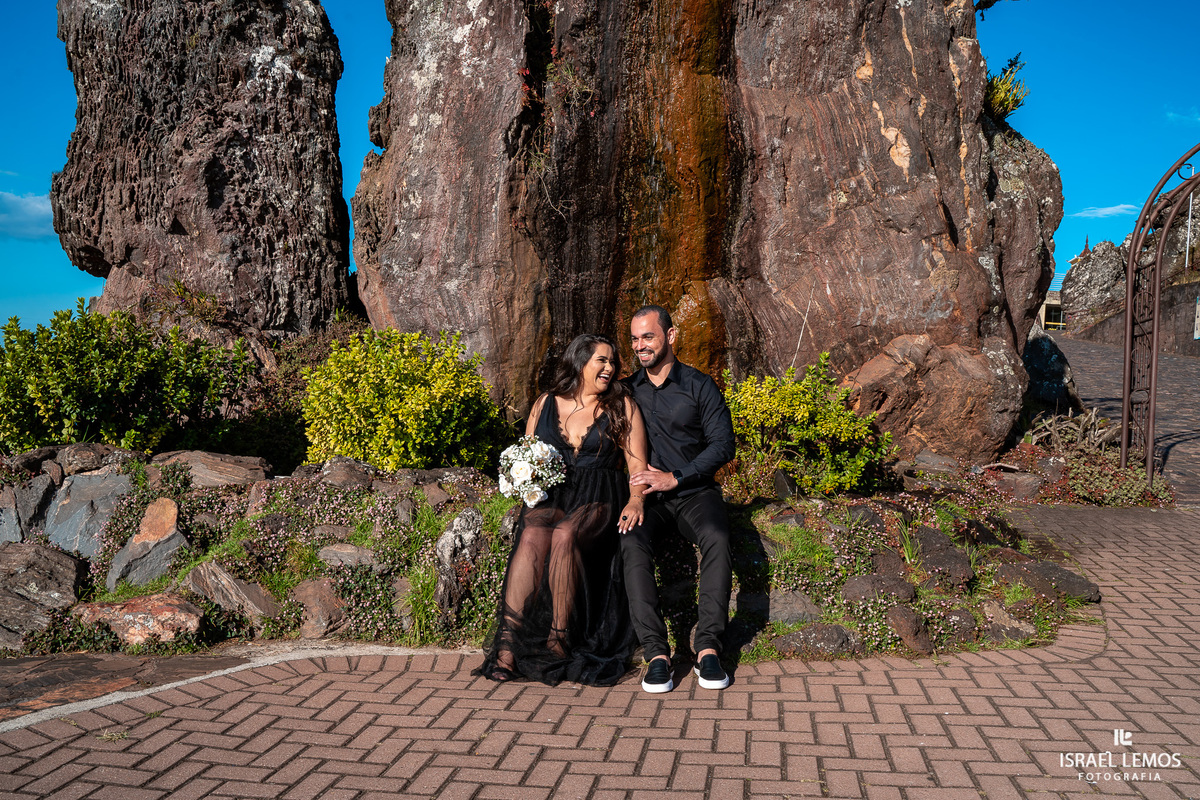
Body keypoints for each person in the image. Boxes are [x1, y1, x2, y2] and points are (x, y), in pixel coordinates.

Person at [478, 334, 649, 686]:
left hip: (598, 495)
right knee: (530, 537)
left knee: (565, 535)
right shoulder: (545, 404)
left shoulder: (622, 405)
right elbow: (525, 454)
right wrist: (521, 482)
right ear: (580, 361)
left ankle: (558, 641)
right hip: (553, 497)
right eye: (601, 360)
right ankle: (507, 648)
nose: (610, 368)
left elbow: (637, 466)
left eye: (613, 362)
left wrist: (636, 499)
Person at [622, 304, 736, 693]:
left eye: (648, 336)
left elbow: (724, 445)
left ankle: (708, 648)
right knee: (631, 540)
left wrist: (676, 477)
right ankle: (656, 654)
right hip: (646, 499)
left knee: (718, 538)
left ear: (670, 336)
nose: (640, 345)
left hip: (693, 493)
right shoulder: (626, 389)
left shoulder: (700, 385)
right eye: (635, 339)